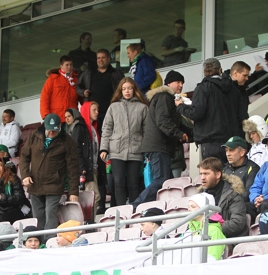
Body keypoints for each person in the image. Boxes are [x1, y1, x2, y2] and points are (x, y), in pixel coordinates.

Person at [134, 70, 189, 209]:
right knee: (162, 180)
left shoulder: (166, 98)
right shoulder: (164, 96)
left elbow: (176, 123)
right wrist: (178, 134)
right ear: (169, 83)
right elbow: (163, 120)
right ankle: (136, 205)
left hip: (160, 146)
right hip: (159, 147)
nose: (181, 85)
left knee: (168, 182)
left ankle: (164, 209)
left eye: (182, 82)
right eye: (178, 82)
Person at [19, 114, 80, 235]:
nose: (52, 133)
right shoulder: (34, 135)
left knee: (50, 215)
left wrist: (73, 192)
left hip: (54, 185)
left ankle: (49, 242)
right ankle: (39, 242)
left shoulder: (68, 141)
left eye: (55, 130)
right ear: (44, 126)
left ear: (60, 127)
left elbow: (73, 169)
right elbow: (24, 157)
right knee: (38, 217)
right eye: (49, 130)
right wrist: (25, 175)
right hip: (35, 184)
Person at [176, 58, 238, 164]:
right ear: (220, 70)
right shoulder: (232, 88)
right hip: (230, 141)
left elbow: (196, 113)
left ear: (204, 71)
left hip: (210, 142)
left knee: (213, 177)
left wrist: (180, 106)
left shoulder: (203, 88)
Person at [100, 78, 148, 206]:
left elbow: (147, 131)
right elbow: (107, 128)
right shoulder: (113, 107)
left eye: (130, 88)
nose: (127, 91)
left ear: (134, 90)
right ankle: (121, 211)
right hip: (117, 149)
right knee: (118, 181)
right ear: (120, 91)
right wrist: (104, 148)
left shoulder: (142, 108)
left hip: (135, 149)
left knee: (133, 183)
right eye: (124, 88)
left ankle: (133, 211)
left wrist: (147, 151)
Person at [76, 49, 125, 134]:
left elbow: (123, 89)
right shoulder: (89, 72)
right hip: (93, 112)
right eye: (98, 58)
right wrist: (83, 92)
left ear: (108, 59)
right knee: (94, 135)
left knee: (110, 134)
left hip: (110, 111)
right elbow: (78, 86)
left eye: (103, 58)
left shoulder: (116, 73)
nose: (100, 60)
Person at [198, 157, 248, 238]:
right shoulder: (200, 195)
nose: (202, 178)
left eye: (206, 173)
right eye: (201, 174)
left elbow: (238, 223)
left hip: (228, 239)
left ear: (218, 174)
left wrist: (212, 227)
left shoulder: (233, 194)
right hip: (205, 237)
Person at [64, 108, 101, 215]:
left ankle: (90, 221)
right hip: (82, 167)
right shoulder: (72, 128)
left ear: (74, 116)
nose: (67, 119)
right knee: (91, 196)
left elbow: (77, 150)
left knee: (92, 196)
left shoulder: (78, 127)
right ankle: (89, 221)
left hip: (83, 168)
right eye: (65, 117)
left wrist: (81, 167)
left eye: (69, 116)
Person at [0, 155, 31, 228]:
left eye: (0, 165)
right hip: (1, 211)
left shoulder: (13, 178)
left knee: (2, 220)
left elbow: (19, 199)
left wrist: (1, 197)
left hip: (18, 209)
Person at [221, 136, 260, 221]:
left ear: (242, 152)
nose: (228, 154)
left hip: (242, 206)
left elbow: (248, 194)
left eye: (231, 150)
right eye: (226, 150)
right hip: (225, 206)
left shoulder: (253, 168)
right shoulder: (224, 169)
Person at [80, 101, 107, 215]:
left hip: (94, 168)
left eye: (97, 110)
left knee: (94, 197)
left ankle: (90, 224)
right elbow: (77, 150)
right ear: (87, 111)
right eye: (94, 110)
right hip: (87, 169)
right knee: (93, 197)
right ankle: (89, 224)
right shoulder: (80, 128)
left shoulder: (94, 129)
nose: (97, 112)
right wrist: (82, 167)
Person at [185, 193, 226, 261]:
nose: (189, 209)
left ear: (204, 209)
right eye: (188, 207)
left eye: (193, 207)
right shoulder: (189, 231)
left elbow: (213, 258)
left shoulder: (215, 231)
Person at [40, 55, 80, 120]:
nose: (69, 67)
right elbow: (44, 98)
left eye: (71, 65)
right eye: (67, 65)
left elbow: (82, 98)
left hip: (73, 117)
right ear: (61, 66)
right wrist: (46, 116)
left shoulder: (76, 80)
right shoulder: (52, 79)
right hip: (57, 118)